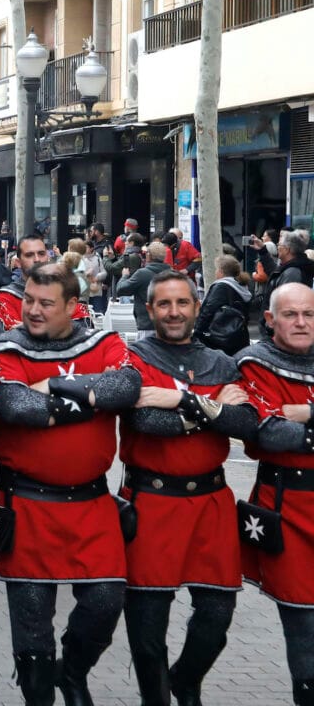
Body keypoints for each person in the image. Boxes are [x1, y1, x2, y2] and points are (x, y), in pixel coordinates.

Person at [0, 264, 141, 704]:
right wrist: (90, 401)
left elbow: (127, 386)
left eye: (45, 304)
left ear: (73, 307)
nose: (33, 311)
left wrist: (55, 383)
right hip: (27, 505)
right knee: (34, 635)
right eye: (28, 301)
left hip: (92, 504)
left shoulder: (102, 342)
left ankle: (72, 674)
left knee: (105, 603)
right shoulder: (5, 347)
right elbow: (15, 405)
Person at [121, 270, 258, 706]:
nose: (174, 312)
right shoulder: (134, 358)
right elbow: (146, 421)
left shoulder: (221, 362)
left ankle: (185, 680)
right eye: (164, 304)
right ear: (150, 310)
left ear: (197, 307)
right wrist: (213, 410)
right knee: (147, 624)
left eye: (182, 303)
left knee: (216, 617)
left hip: (210, 504)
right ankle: (156, 699)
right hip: (151, 501)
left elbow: (245, 422)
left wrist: (182, 401)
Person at [235, 283, 314, 703]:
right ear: (270, 320)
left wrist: (309, 414)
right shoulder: (255, 364)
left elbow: (292, 426)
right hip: (290, 507)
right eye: (290, 315)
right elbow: (268, 432)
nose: (301, 323)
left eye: (309, 314)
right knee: (304, 625)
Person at [0, 234, 52, 333]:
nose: (37, 259)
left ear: (48, 257)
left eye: (41, 254)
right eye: (29, 255)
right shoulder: (7, 296)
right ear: (18, 262)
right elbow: (14, 334)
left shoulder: (63, 291)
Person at [193, 254, 252, 354]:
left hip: (218, 340)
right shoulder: (242, 288)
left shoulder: (221, 287)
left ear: (221, 271)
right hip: (239, 337)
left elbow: (208, 311)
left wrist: (197, 333)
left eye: (217, 269)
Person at [116, 241, 174, 339]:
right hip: (168, 326)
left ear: (148, 255)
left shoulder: (142, 274)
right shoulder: (173, 275)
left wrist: (124, 276)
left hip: (147, 325)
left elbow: (121, 290)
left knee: (144, 353)